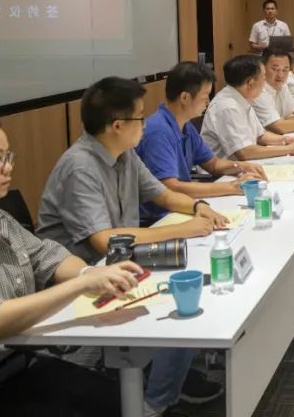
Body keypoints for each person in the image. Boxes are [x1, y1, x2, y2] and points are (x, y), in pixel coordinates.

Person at [0, 111, 142, 416]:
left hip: (12, 360)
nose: (8, 167)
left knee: (110, 396)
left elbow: (48, 256)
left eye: (8, 156)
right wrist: (83, 283)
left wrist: (94, 272)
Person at [36, 77, 229, 415]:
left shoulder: (124, 154)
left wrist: (198, 207)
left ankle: (164, 386)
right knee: (181, 304)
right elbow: (104, 240)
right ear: (117, 125)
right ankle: (152, 404)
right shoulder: (80, 166)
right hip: (84, 278)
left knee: (193, 288)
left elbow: (163, 194)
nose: (145, 124)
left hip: (121, 263)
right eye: (140, 117)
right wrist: (184, 228)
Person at [135, 61, 267, 224]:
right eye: (205, 96)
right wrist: (231, 187)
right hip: (159, 218)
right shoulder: (158, 131)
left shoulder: (185, 125)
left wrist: (241, 166)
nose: (208, 102)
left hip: (182, 207)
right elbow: (170, 186)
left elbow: (212, 163)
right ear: (185, 97)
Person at [201, 55, 294, 160]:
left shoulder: (242, 97)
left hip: (243, 164)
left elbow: (260, 135)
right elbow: (245, 152)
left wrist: (289, 140)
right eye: (263, 78)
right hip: (225, 171)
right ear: (250, 83)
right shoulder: (227, 106)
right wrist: (289, 149)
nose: (265, 82)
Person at [252, 49, 294, 135]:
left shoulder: (283, 86)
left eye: (285, 70)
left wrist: (285, 123)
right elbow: (279, 127)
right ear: (263, 69)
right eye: (275, 69)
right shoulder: (258, 91)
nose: (281, 75)